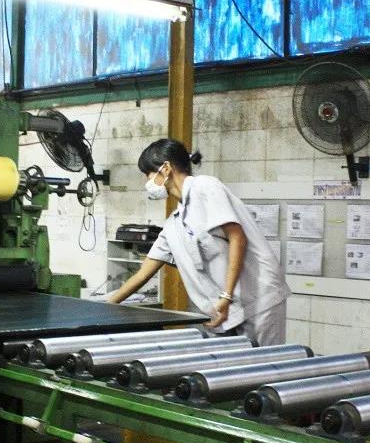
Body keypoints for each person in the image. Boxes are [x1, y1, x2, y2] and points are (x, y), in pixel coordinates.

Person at [109, 138, 290, 346]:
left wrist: (226, 296)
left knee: (265, 363)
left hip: (258, 300)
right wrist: (108, 305)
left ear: (165, 168)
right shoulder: (173, 225)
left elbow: (237, 237)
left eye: (148, 174)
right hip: (225, 310)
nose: (147, 182)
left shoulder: (205, 187)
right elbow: (142, 273)